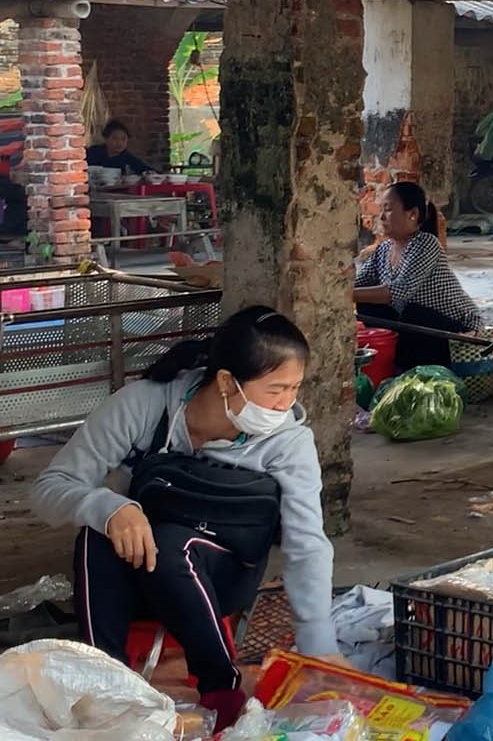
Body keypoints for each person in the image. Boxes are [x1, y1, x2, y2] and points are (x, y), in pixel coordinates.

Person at [32, 306, 339, 729]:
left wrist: (318, 644)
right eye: (275, 390)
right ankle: (107, 685)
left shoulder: (288, 442)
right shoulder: (144, 407)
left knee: (174, 541)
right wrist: (109, 507)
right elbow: (49, 488)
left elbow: (308, 543)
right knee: (95, 537)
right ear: (228, 383)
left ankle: (222, 689)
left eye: (294, 389)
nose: (286, 404)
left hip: (220, 577)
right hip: (139, 570)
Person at [355, 182, 482, 369]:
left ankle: (414, 366)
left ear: (412, 214)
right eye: (381, 209)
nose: (381, 217)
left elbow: (399, 290)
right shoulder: (383, 249)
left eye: (388, 210)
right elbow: (359, 285)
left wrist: (345, 294)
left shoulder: (426, 243)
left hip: (458, 328)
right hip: (420, 327)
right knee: (368, 304)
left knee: (412, 312)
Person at [85, 119, 152, 175]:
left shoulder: (127, 157)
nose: (119, 143)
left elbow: (144, 169)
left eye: (123, 139)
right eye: (114, 138)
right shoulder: (93, 152)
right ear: (106, 139)